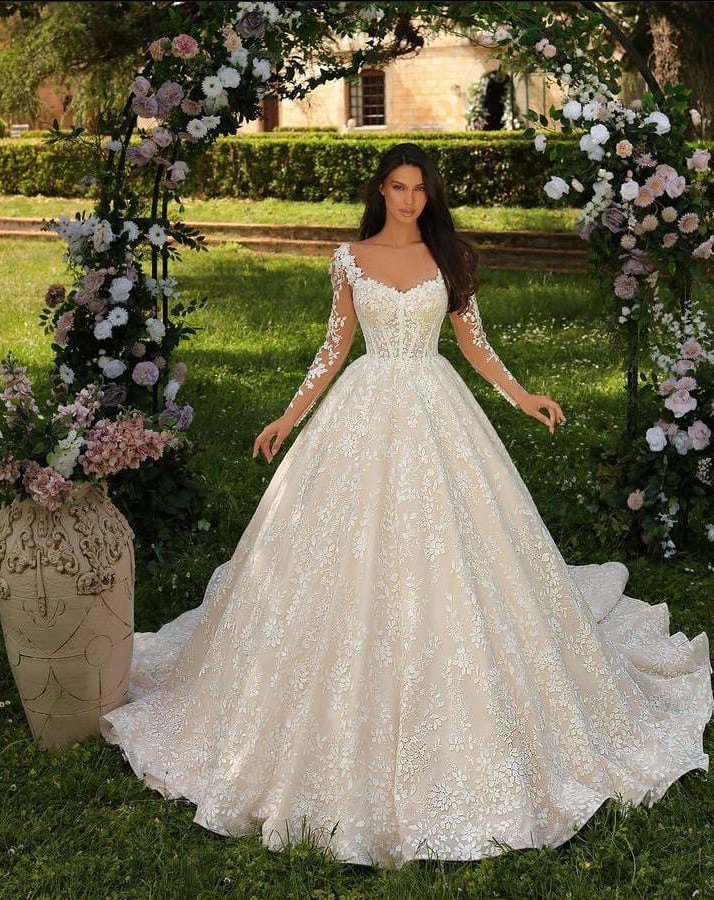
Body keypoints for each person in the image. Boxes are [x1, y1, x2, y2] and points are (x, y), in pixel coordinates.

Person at [100, 143, 713, 869]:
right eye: (398, 187)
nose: (410, 200)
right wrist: (288, 418)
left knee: (462, 551)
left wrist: (523, 397)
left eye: (420, 189)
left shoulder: (448, 258)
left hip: (435, 408)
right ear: (380, 189)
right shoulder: (349, 259)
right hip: (361, 411)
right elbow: (333, 349)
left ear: (430, 194)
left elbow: (475, 345)